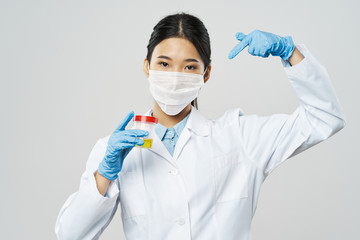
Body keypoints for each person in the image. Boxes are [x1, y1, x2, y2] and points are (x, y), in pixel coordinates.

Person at [55, 12, 346, 240]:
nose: (175, 76)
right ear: (147, 66)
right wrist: (104, 176)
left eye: (190, 66)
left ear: (206, 74)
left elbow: (325, 117)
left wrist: (290, 52)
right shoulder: (113, 150)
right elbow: (70, 235)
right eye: (165, 64)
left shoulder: (239, 137)